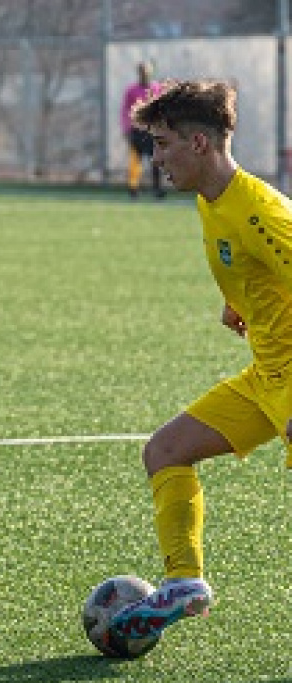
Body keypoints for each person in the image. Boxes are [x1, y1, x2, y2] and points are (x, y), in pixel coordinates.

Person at [107, 79, 292, 647]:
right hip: (266, 378)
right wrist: (241, 301)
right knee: (165, 452)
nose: (155, 157)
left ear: (199, 144)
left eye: (162, 145)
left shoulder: (260, 212)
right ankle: (184, 582)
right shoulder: (212, 201)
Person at [120, 61, 165, 199]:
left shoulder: (157, 88)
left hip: (152, 131)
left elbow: (161, 109)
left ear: (150, 72)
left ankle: (157, 190)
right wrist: (126, 128)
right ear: (138, 73)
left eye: (147, 71)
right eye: (142, 71)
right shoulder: (131, 90)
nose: (144, 73)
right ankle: (133, 190)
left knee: (156, 161)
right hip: (136, 131)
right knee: (135, 161)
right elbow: (125, 110)